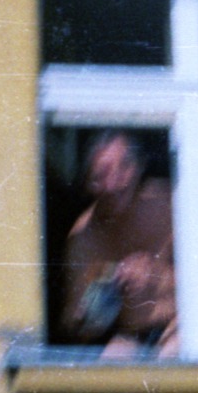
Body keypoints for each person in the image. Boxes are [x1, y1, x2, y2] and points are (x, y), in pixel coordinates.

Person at [61, 131, 178, 357]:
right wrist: (106, 291)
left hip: (182, 323)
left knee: (175, 354)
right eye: (101, 173)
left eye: (124, 167)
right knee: (111, 364)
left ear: (140, 167)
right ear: (87, 181)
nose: (114, 182)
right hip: (132, 336)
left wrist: (156, 274)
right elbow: (79, 330)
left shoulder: (166, 202)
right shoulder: (82, 238)